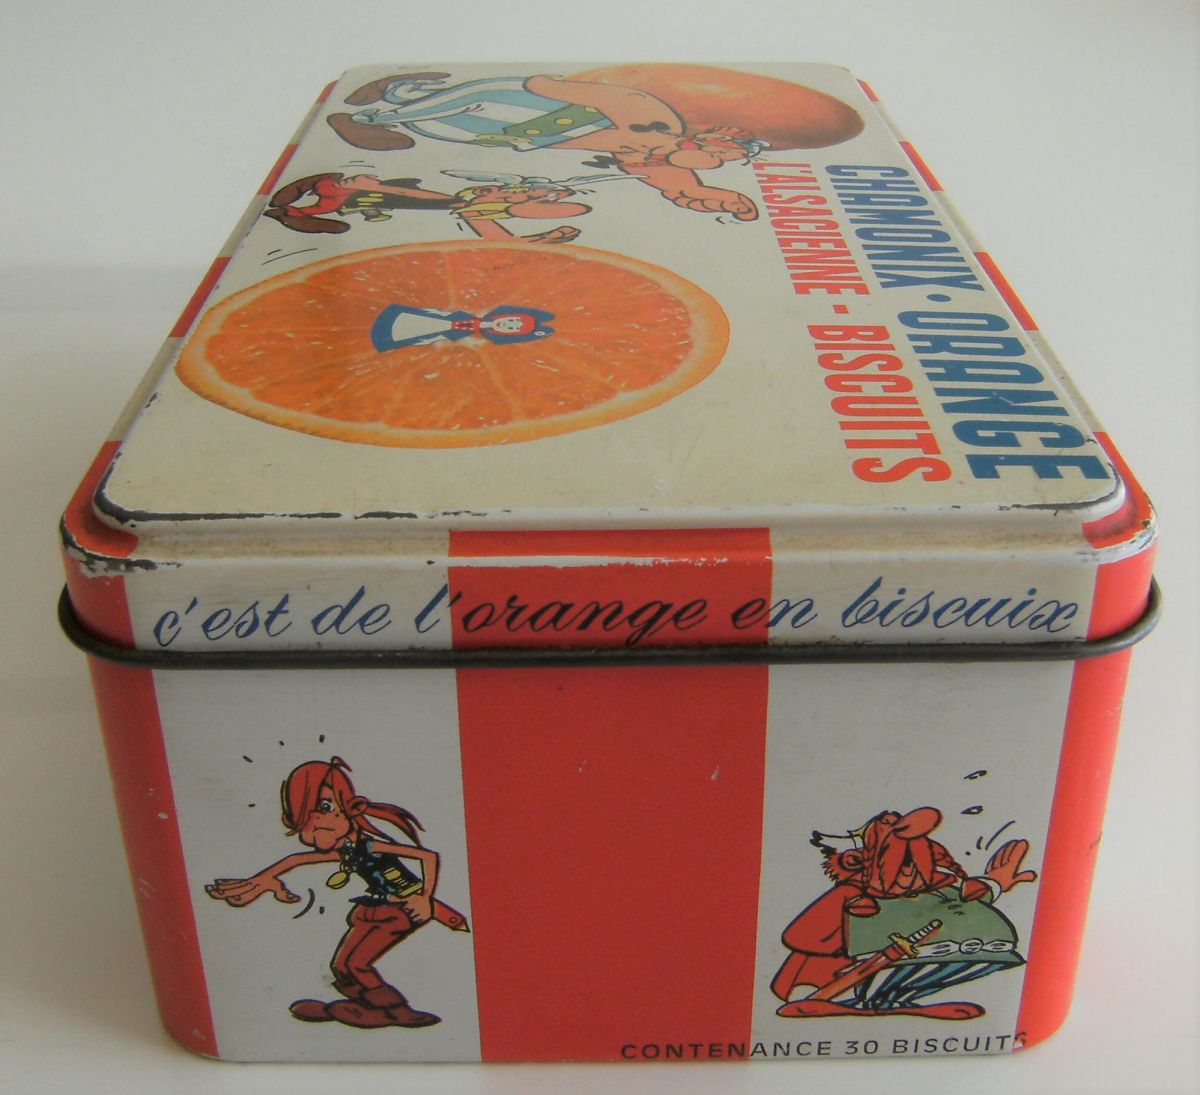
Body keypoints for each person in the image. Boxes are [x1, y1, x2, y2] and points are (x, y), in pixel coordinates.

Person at [206, 756, 468, 1030]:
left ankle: (396, 1011)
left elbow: (428, 856)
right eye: (307, 816)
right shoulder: (346, 850)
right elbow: (297, 859)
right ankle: (367, 1005)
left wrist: (424, 898)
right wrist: (261, 880)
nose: (316, 821)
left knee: (357, 964)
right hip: (378, 907)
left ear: (347, 806)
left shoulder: (370, 846)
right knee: (341, 965)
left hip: (404, 909)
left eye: (325, 807)